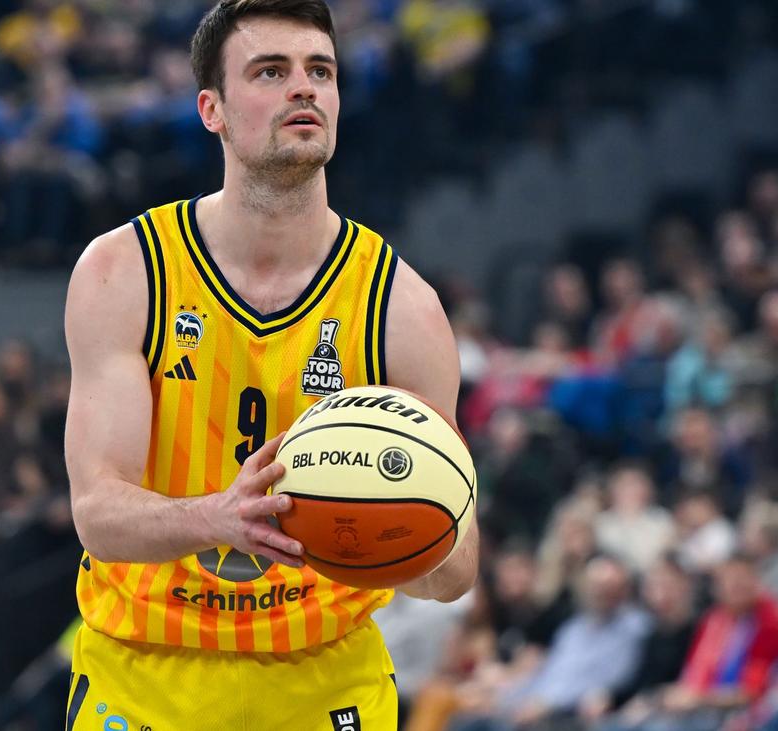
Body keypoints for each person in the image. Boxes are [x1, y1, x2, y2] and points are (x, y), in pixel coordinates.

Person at [61, 1, 478, 728]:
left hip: (324, 677)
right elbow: (97, 512)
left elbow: (456, 563)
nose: (304, 87)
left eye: (321, 71)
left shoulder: (401, 308)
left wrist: (379, 531)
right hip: (144, 670)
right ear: (212, 110)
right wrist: (218, 518)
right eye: (270, 71)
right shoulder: (126, 271)